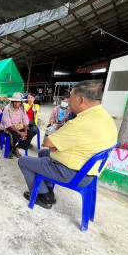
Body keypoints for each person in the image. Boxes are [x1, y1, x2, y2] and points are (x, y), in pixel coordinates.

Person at [18, 80, 117, 209]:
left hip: (73, 173)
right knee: (43, 153)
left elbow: (47, 142)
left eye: (71, 97)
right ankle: (48, 189)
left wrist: (55, 144)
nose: (68, 100)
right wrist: (57, 144)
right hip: (88, 169)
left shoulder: (79, 123)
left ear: (81, 100)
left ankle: (43, 197)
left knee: (24, 161)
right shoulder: (106, 118)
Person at [0, 92, 29, 159]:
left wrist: (26, 131)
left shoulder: (22, 108)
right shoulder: (7, 108)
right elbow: (8, 124)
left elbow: (25, 120)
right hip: (8, 127)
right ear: (12, 101)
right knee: (15, 136)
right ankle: (10, 149)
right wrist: (20, 133)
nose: (16, 103)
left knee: (29, 134)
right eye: (14, 101)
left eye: (18, 102)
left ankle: (16, 148)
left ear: (21, 102)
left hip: (18, 126)